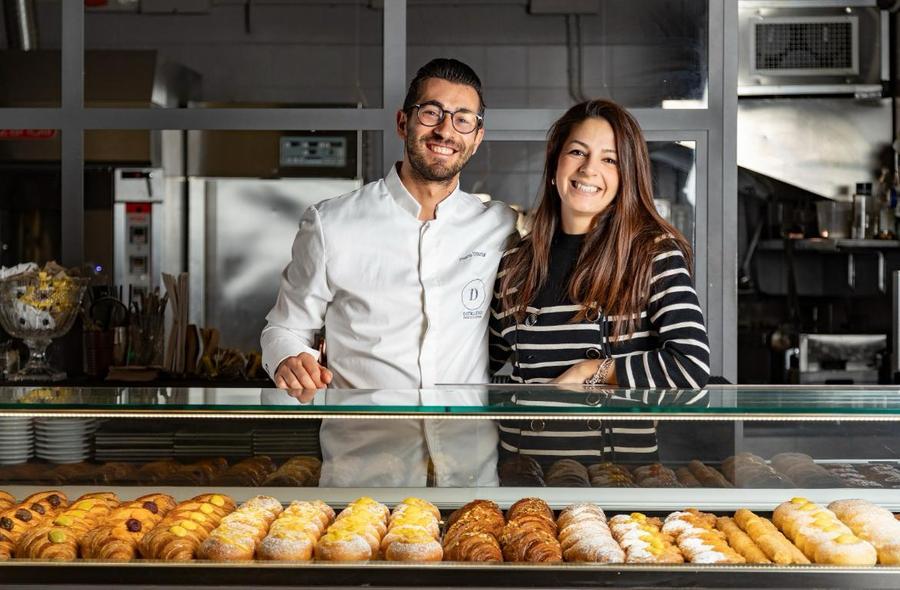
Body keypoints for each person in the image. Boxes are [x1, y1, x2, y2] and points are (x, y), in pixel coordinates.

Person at [261, 58, 517, 487]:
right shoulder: (331, 223)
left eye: (462, 120)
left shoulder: (499, 226)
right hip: (364, 474)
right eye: (431, 113)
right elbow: (284, 328)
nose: (445, 130)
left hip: (469, 472)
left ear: (476, 138)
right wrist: (289, 358)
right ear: (403, 122)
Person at [488, 98, 710, 470]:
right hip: (526, 482)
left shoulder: (650, 254)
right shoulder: (515, 264)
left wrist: (593, 371)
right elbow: (482, 369)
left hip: (619, 486)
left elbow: (690, 366)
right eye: (577, 152)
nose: (590, 169)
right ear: (554, 165)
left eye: (609, 159)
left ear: (628, 175)